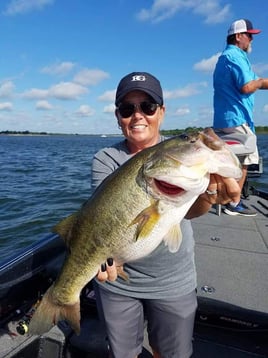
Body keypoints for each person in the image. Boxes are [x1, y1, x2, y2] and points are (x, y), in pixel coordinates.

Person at [91, 72, 241, 358]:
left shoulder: (183, 153)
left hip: (173, 280)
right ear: (118, 116)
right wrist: (100, 261)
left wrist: (210, 194)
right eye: (127, 109)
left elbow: (190, 212)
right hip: (118, 283)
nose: (138, 116)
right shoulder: (105, 159)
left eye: (147, 107)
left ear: (161, 111)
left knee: (172, 353)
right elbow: (100, 222)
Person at [213, 19, 268, 216]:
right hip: (237, 119)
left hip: (225, 119)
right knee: (246, 160)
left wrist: (261, 82)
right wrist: (261, 82)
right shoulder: (234, 56)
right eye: (249, 35)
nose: (252, 39)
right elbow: (246, 86)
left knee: (229, 161)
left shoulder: (227, 57)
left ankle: (222, 196)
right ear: (238, 37)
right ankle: (233, 203)